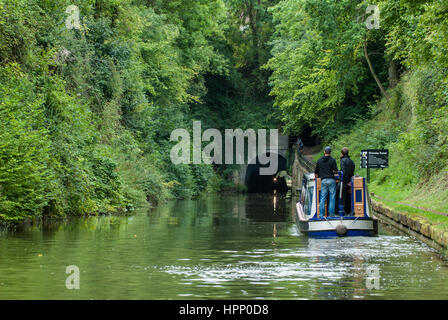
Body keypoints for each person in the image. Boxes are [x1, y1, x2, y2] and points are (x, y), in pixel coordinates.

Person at [314, 146, 338, 217]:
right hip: (331, 180)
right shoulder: (332, 160)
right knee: (332, 197)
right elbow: (335, 170)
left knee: (322, 197)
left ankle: (321, 214)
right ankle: (331, 214)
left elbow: (316, 172)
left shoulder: (319, 160)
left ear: (324, 152)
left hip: (323, 181)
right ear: (330, 153)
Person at [338, 147, 355, 214]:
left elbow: (343, 172)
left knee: (337, 191)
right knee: (347, 195)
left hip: (345, 182)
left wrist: (347, 182)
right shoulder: (351, 161)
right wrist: (350, 182)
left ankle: (340, 210)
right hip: (350, 182)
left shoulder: (342, 161)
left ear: (342, 154)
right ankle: (349, 210)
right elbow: (352, 172)